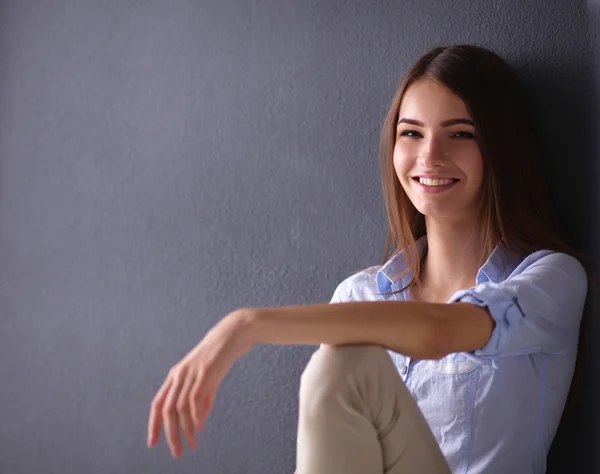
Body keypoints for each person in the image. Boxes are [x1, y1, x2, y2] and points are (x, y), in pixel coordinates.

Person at [146, 45, 589, 473]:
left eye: (460, 134)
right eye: (411, 133)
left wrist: (246, 324)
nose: (429, 156)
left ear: (501, 148)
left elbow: (439, 331)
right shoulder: (358, 294)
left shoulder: (550, 281)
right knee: (342, 364)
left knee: (348, 363)